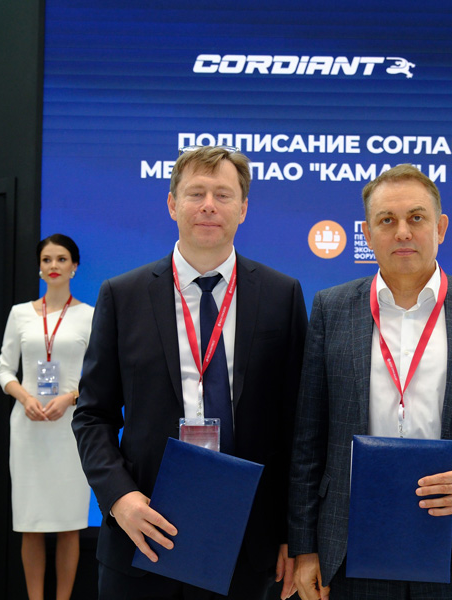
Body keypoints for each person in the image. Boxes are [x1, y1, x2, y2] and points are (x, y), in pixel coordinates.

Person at [288, 164, 452, 600]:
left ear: (440, 227)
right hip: (350, 546)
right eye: (387, 220)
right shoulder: (332, 308)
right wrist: (305, 547)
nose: (402, 231)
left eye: (416, 218)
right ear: (368, 234)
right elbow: (308, 437)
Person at [72, 145, 308, 599]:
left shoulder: (282, 295)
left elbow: (297, 426)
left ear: (243, 208)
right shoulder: (122, 295)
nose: (208, 205)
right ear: (172, 203)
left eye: (223, 194)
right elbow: (92, 415)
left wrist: (291, 532)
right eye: (196, 193)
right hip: (143, 535)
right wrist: (119, 498)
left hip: (248, 545)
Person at [0, 233, 94, 600]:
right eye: (47, 259)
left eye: (62, 259)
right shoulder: (19, 314)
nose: (54, 266)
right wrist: (24, 397)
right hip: (29, 428)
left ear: (75, 266)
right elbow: (4, 369)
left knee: (70, 524)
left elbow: (99, 375)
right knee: (31, 523)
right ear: (39, 267)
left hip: (70, 429)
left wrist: (69, 397)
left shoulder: (89, 315)